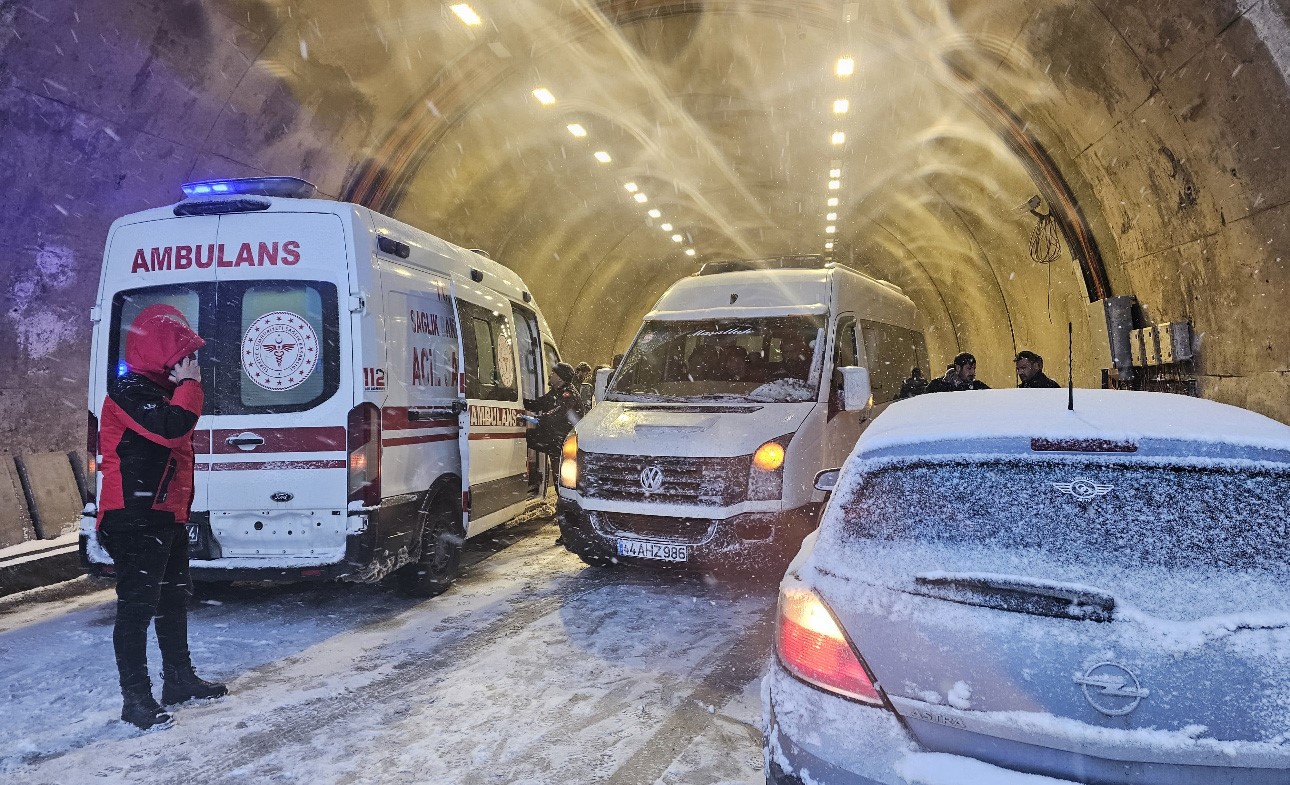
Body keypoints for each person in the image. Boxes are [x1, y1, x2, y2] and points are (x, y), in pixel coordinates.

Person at [96, 305, 227, 730]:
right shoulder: (128, 390)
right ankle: (136, 699)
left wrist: (182, 384)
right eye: (183, 354)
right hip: (132, 517)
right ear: (161, 353)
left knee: (172, 598)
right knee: (136, 609)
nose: (192, 363)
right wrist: (189, 384)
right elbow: (172, 429)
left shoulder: (158, 388)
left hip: (164, 515)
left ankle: (179, 679)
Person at [525, 362, 585, 543]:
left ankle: (570, 532)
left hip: (566, 449)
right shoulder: (557, 392)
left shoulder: (569, 394)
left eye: (553, 373)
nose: (550, 375)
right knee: (562, 489)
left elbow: (559, 413)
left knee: (566, 489)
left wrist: (539, 419)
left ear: (560, 377)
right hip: (556, 446)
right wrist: (518, 401)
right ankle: (568, 531)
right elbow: (540, 403)